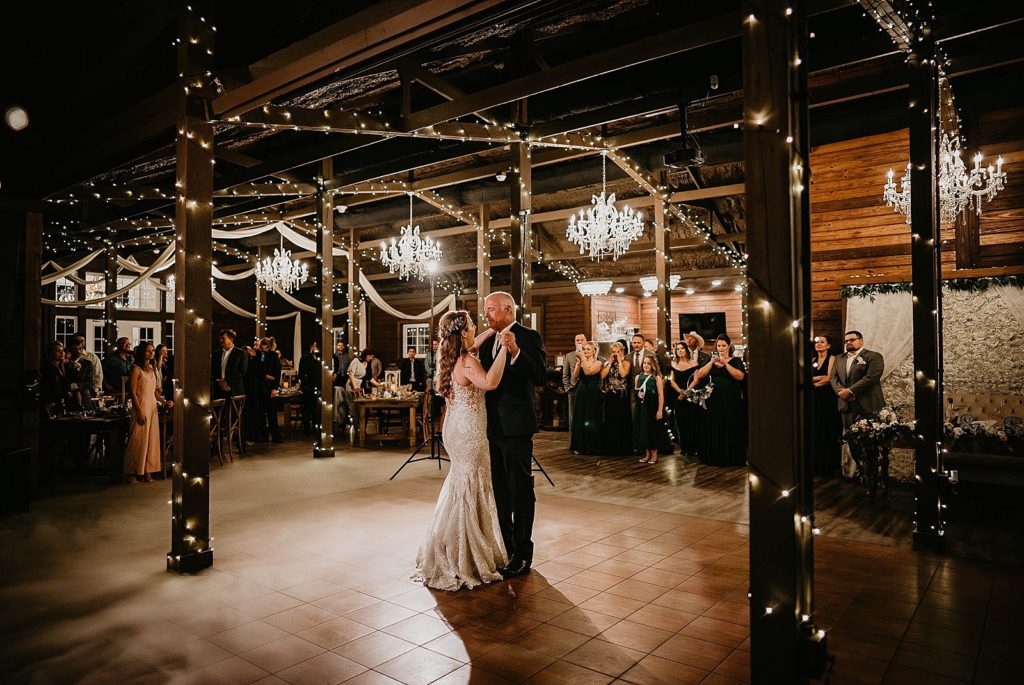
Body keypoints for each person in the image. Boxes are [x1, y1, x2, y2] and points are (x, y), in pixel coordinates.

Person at [414, 310, 508, 591]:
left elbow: (474, 342)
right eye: (471, 325)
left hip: (454, 427)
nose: (475, 327)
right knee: (471, 485)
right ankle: (464, 554)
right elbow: (490, 382)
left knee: (460, 482)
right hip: (470, 432)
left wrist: (493, 331)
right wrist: (503, 348)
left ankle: (449, 545)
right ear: (462, 331)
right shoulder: (466, 362)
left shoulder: (449, 354)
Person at [479, 292, 547, 578]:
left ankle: (522, 553)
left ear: (508, 309)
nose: (486, 315)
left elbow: (541, 377)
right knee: (500, 492)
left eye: (491, 310)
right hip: (491, 427)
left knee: (520, 490)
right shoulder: (486, 341)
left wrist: (517, 352)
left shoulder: (529, 336)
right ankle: (506, 549)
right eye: (486, 310)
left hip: (517, 426)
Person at [830, 330, 885, 476]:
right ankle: (862, 470)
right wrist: (841, 392)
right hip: (846, 406)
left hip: (867, 406)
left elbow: (871, 377)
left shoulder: (873, 356)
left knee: (870, 443)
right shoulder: (839, 358)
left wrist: (851, 391)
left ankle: (873, 475)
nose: (848, 342)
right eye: (846, 340)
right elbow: (833, 378)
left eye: (852, 340)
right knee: (853, 442)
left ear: (861, 341)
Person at [693, 334, 748, 467]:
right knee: (714, 425)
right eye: (719, 345)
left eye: (723, 345)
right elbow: (700, 375)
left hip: (730, 400)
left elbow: (740, 377)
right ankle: (713, 455)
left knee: (729, 425)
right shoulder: (709, 359)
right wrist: (711, 362)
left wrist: (725, 364)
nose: (721, 348)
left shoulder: (735, 361)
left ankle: (730, 456)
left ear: (729, 346)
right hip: (713, 400)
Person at [124, 342, 171, 483]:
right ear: (142, 353)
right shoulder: (136, 369)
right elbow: (132, 392)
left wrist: (164, 402)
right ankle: (132, 472)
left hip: (152, 408)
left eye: (152, 351)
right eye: (148, 351)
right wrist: (138, 411)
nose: (152, 353)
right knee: (138, 440)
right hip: (141, 406)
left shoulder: (151, 369)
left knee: (151, 440)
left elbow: (153, 393)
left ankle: (147, 471)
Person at [810, 335, 842, 477]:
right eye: (817, 342)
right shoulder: (812, 360)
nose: (819, 344)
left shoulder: (832, 358)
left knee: (828, 428)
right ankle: (816, 465)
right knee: (816, 428)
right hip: (815, 398)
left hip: (828, 397)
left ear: (828, 345)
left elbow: (829, 378)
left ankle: (829, 466)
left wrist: (814, 383)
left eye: (822, 342)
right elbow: (806, 377)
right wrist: (817, 379)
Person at [569, 341, 603, 455]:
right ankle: (579, 445)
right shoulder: (581, 361)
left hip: (592, 391)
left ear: (594, 351)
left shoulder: (598, 363)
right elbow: (576, 375)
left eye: (588, 349)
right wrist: (578, 363)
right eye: (584, 349)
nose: (586, 351)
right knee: (580, 416)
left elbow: (588, 372)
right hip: (581, 389)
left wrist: (582, 359)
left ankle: (591, 446)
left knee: (591, 416)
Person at [600, 341, 632, 456]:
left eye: (618, 351)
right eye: (613, 351)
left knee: (621, 420)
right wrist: (609, 361)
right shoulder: (608, 363)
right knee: (611, 420)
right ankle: (610, 447)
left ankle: (622, 447)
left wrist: (619, 361)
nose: (615, 353)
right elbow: (603, 375)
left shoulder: (626, 362)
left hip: (621, 395)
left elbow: (623, 374)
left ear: (622, 351)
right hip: (610, 395)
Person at [668, 342, 700, 456]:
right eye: (678, 349)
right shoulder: (673, 364)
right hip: (678, 396)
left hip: (690, 396)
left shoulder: (694, 363)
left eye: (682, 348)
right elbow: (671, 380)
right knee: (681, 422)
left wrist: (686, 392)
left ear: (686, 350)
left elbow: (696, 380)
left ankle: (694, 448)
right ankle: (684, 448)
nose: (680, 351)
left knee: (692, 421)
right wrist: (680, 392)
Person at [633, 354, 665, 464]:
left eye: (649, 363)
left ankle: (654, 453)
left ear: (653, 365)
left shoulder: (657, 378)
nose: (646, 365)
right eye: (644, 363)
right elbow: (636, 392)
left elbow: (660, 395)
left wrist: (660, 410)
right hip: (642, 406)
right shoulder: (638, 377)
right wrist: (639, 395)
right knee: (643, 429)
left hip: (653, 406)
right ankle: (647, 453)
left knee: (652, 429)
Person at [258, 338, 283, 442]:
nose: (260, 347)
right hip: (259, 388)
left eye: (262, 345)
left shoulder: (273, 356)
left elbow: (277, 374)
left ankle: (275, 435)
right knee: (261, 413)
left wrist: (274, 388)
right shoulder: (257, 355)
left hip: (270, 387)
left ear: (267, 346)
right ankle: (263, 435)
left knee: (272, 413)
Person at [562, 333, 588, 431]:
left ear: (586, 341)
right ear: (575, 343)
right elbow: (565, 374)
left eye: (582, 340)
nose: (580, 342)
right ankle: (572, 438)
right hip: (573, 388)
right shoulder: (569, 356)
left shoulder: (590, 354)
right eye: (577, 340)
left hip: (586, 386)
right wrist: (567, 388)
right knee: (573, 416)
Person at [212, 329, 247, 399]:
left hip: (234, 389)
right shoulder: (216, 354)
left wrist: (226, 381)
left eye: (223, 338)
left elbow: (242, 372)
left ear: (230, 339)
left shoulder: (241, 353)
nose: (220, 340)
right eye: (220, 338)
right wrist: (219, 383)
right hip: (218, 390)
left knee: (233, 410)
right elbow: (212, 371)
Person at [297, 341, 323, 435]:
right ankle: (307, 429)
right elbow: (301, 373)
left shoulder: (321, 358)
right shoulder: (305, 358)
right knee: (307, 408)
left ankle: (317, 428)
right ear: (311, 346)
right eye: (314, 346)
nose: (315, 348)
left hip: (319, 386)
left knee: (317, 408)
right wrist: (305, 385)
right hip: (308, 386)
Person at [243, 344, 265, 444]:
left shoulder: (253, 360)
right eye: (250, 350)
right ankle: (250, 436)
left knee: (256, 412)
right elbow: (260, 370)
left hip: (255, 389)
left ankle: (256, 435)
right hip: (250, 390)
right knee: (251, 413)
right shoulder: (249, 362)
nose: (253, 350)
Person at [71, 333, 103, 397]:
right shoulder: (68, 357)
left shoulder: (92, 357)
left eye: (82, 341)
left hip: (88, 390)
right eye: (77, 340)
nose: (80, 342)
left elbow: (98, 374)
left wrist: (95, 390)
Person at [334, 341, 351, 428]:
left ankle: (346, 418)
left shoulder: (347, 356)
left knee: (346, 397)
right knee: (338, 396)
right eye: (339, 345)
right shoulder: (334, 356)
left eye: (342, 345)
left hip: (345, 377)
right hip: (337, 377)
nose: (340, 347)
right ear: (337, 346)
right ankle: (338, 417)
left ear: (344, 347)